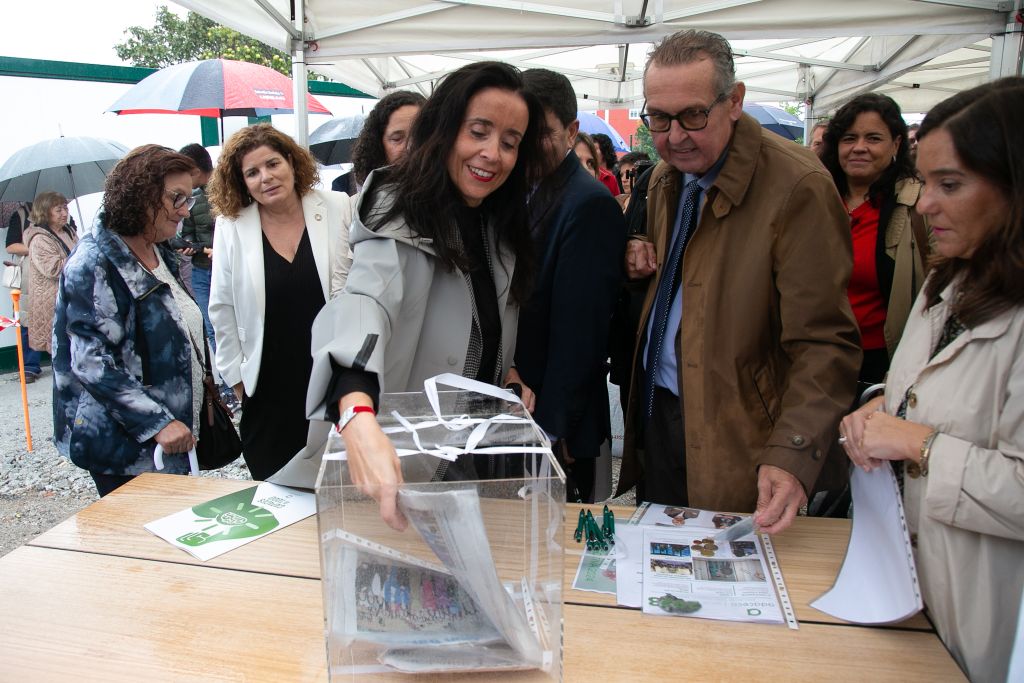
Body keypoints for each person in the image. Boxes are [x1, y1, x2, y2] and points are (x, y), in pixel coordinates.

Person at [617, 30, 860, 533]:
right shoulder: (667, 177)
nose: (675, 136)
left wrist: (792, 450)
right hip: (659, 412)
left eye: (693, 115)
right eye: (659, 118)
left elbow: (824, 343)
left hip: (743, 434)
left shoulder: (799, 186)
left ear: (735, 102)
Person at [306, 61, 544, 530]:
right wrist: (356, 413)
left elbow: (477, 319)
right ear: (443, 128)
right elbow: (362, 303)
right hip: (395, 463)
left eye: (510, 142)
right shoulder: (401, 205)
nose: (492, 153)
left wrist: (504, 367)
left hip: (466, 453)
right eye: (478, 131)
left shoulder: (497, 220)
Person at [839, 78, 1024, 683]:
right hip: (914, 592)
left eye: (950, 185)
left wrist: (918, 445)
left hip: (985, 614)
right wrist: (874, 409)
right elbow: (917, 392)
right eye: (926, 182)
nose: (924, 204)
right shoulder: (946, 282)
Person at [52, 145, 202, 497]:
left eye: (189, 199)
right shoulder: (94, 262)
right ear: (140, 195)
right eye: (175, 198)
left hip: (167, 442)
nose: (184, 210)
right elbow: (90, 362)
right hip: (125, 449)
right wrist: (157, 422)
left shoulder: (158, 247)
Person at [207, 124, 354, 481]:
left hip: (332, 374)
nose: (266, 178)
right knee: (276, 491)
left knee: (340, 484)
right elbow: (221, 307)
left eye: (273, 164)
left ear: (292, 161)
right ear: (241, 182)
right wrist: (236, 378)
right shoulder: (231, 225)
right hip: (267, 385)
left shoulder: (336, 206)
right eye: (252, 173)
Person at [509, 68, 626, 503]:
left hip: (559, 422)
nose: (524, 145)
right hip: (520, 401)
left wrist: (552, 428)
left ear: (572, 130)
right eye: (518, 132)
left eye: (541, 133)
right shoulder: (521, 188)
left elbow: (582, 333)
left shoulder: (588, 204)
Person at [820, 94, 929, 389]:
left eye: (873, 138)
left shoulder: (919, 206)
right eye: (849, 138)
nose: (859, 148)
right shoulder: (814, 198)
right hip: (813, 357)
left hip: (881, 365)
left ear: (895, 144)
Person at [177, 143, 238, 413]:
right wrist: (193, 245)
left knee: (233, 323)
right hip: (202, 269)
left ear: (195, 169)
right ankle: (229, 385)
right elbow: (186, 233)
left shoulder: (232, 191)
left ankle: (236, 383)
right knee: (213, 328)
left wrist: (222, 249)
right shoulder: (191, 200)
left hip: (229, 269)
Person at [23, 192, 78, 354]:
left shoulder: (67, 231)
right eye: (59, 209)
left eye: (65, 208)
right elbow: (53, 269)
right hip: (52, 301)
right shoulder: (39, 238)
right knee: (61, 352)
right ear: (45, 212)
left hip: (69, 298)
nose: (64, 213)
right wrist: (82, 257)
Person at [350, 91, 427, 189]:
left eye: (419, 136)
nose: (409, 147)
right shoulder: (369, 201)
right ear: (379, 146)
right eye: (397, 139)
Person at [5, 201, 41, 381]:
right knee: (26, 319)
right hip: (28, 275)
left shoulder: (63, 214)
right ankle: (29, 366)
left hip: (57, 272)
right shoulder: (20, 215)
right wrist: (38, 249)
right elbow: (11, 246)